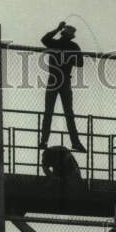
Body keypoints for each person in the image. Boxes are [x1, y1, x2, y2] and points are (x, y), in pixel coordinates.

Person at [39, 20, 86, 152]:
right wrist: (68, 58)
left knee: (49, 112)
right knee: (68, 113)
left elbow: (44, 39)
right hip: (64, 81)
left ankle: (44, 141)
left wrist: (57, 29)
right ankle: (75, 142)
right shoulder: (73, 46)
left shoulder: (55, 43)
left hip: (55, 80)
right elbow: (80, 63)